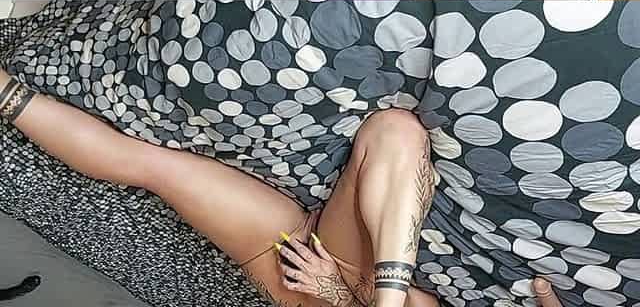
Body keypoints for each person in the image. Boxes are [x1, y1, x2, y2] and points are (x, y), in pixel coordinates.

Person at [0, 67, 569, 307]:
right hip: (369, 265)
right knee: (396, 129)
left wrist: (335, 293)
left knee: (155, 167)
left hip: (308, 287)